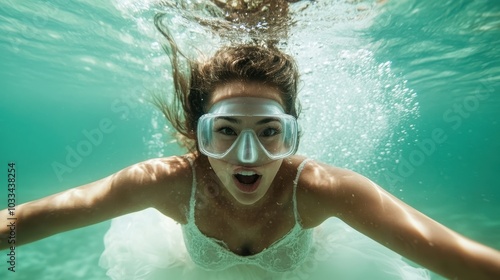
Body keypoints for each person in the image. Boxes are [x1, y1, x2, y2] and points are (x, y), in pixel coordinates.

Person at [2, 14, 500, 280]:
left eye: (268, 131)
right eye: (224, 131)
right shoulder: (165, 184)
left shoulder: (324, 190)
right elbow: (27, 220)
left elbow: (457, 260)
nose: (248, 155)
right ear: (197, 135)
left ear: (292, 134)